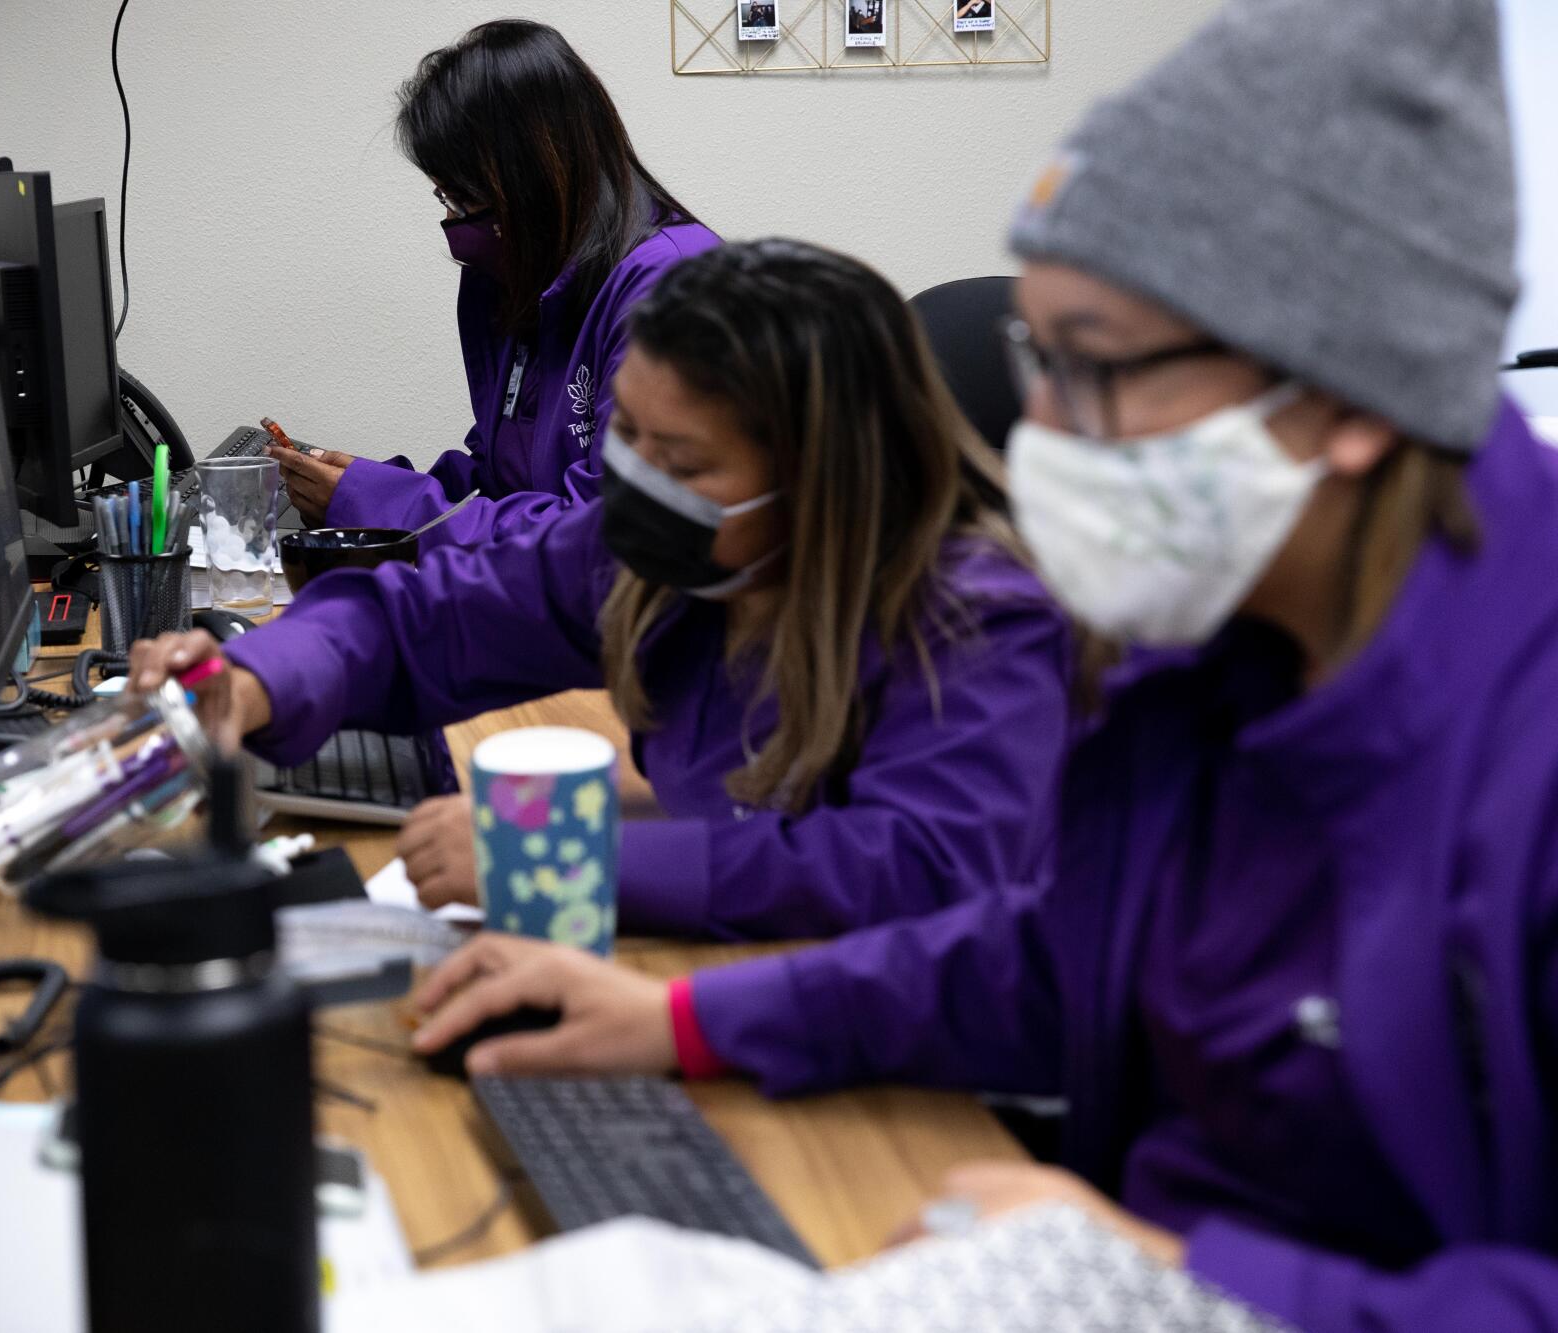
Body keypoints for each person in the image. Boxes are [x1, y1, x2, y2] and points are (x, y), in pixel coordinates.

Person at [406, 1, 1558, 1327]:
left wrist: (1176, 1285)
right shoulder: (1217, 653)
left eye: (1099, 370)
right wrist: (682, 1026)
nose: (1039, 434)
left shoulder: (1518, 741)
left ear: (1349, 400)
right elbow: (1053, 955)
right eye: (1036, 359)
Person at [133, 240, 1073, 940]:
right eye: (630, 438)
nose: (638, 484)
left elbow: (909, 874)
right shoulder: (666, 553)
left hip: (919, 1083)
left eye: (682, 460)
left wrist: (556, 860)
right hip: (728, 975)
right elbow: (435, 613)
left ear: (823, 476)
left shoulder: (981, 620)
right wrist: (252, 676)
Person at [272, 21, 720, 552]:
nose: (457, 223)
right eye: (445, 198)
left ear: (530, 177)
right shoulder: (529, 276)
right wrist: (371, 487)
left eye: (462, 198)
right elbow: (506, 479)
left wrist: (391, 506)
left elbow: (606, 541)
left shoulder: (677, 294)